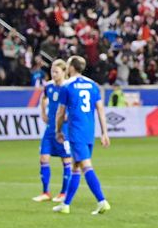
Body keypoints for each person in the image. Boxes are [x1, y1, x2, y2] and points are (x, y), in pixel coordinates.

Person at [53, 56, 111, 215]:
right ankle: (66, 204)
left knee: (85, 165)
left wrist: (58, 131)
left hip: (76, 131)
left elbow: (60, 113)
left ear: (71, 67)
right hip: (89, 131)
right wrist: (104, 133)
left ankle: (102, 201)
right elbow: (100, 110)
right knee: (75, 166)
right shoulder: (93, 85)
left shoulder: (67, 86)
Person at [32, 59, 73, 202]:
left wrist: (69, 115)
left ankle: (63, 193)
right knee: (43, 158)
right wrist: (43, 112)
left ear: (64, 72)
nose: (53, 74)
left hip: (64, 130)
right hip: (50, 130)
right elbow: (43, 98)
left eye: (56, 72)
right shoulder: (48, 87)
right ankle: (46, 192)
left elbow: (75, 104)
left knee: (66, 160)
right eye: (52, 72)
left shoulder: (68, 87)